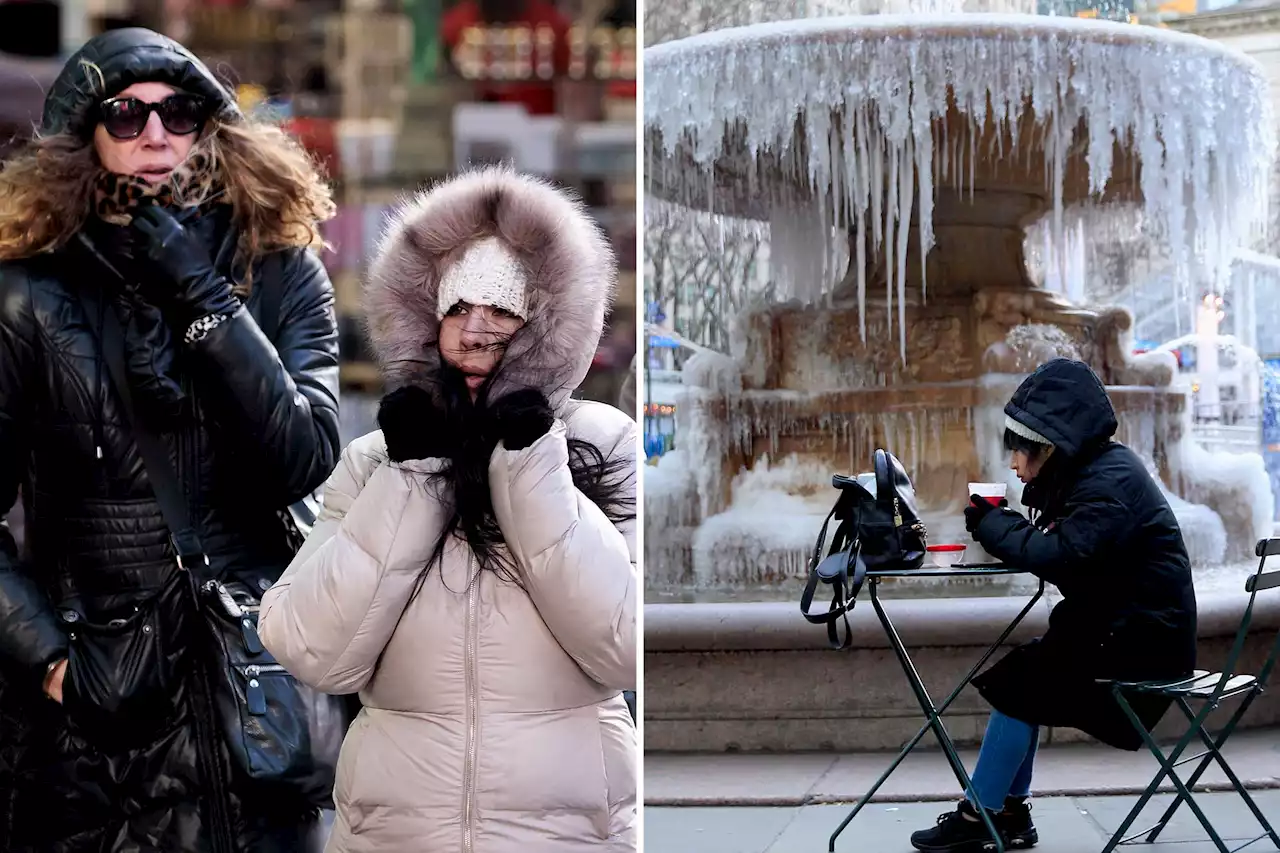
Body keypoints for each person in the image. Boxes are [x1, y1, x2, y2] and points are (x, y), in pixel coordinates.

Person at [0, 27, 342, 852]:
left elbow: (303, 454)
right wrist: (49, 662)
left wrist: (200, 294)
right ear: (85, 137)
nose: (155, 136)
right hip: (103, 725)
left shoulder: (281, 271)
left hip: (257, 711)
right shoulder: (29, 299)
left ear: (211, 128)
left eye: (179, 112)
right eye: (126, 115)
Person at [257, 166, 638, 852]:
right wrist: (413, 476)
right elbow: (313, 648)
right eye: (455, 309)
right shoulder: (378, 459)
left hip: (564, 836)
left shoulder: (602, 446)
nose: (472, 333)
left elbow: (624, 646)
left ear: (546, 323)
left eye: (500, 310)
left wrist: (529, 467)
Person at [909, 358, 1197, 853]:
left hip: (1143, 650)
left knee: (1021, 685)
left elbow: (1062, 557)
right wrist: (1011, 521)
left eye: (1020, 451)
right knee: (1029, 677)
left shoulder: (1108, 483)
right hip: (1132, 634)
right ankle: (1008, 813)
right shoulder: (1102, 473)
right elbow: (1074, 552)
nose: (1014, 464)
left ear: (1052, 446)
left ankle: (982, 814)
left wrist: (993, 522)